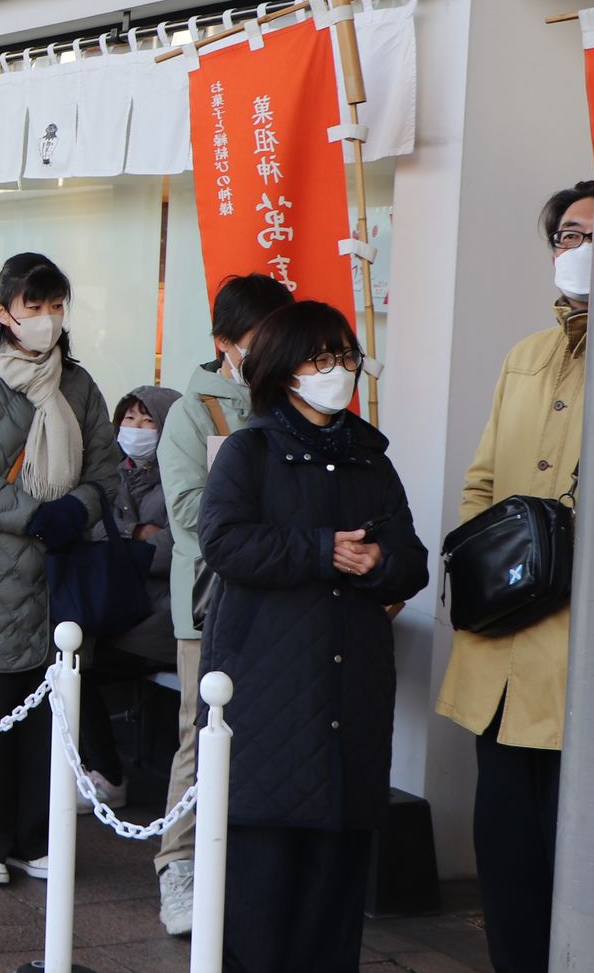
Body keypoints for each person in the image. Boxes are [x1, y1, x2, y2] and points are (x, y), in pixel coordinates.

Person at [199, 300, 427, 969]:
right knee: (261, 895)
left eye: (345, 357)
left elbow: (410, 557)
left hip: (350, 693)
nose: (337, 372)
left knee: (336, 892)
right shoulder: (251, 450)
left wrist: (379, 560)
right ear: (283, 369)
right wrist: (322, 549)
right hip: (268, 695)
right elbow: (225, 541)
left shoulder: (369, 457)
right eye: (320, 359)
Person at [436, 180, 592, 973]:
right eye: (567, 234)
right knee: (505, 859)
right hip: (500, 652)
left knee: (578, 859)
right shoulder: (525, 355)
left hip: (584, 666)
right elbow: (482, 481)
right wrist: (473, 576)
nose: (579, 247)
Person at [0, 252, 118, 885]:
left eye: (55, 306)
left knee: (50, 715)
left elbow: (105, 472)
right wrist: (35, 515)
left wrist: (77, 510)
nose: (45, 319)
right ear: (2, 312)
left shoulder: (79, 384)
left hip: (60, 576)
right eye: (32, 307)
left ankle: (34, 836)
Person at [151, 271, 294, 934]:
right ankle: (175, 867)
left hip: (280, 601)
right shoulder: (192, 411)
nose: (274, 353)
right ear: (225, 343)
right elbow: (188, 512)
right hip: (209, 604)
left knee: (260, 737)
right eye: (260, 341)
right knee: (197, 734)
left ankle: (238, 865)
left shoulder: (291, 405)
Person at [75, 385, 182, 807]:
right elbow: (93, 530)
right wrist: (137, 535)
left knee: (81, 671)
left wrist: (126, 545)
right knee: (65, 662)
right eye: (129, 418)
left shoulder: (182, 475)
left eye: (148, 420)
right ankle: (91, 766)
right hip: (119, 608)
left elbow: (180, 546)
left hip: (162, 617)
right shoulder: (110, 470)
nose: (135, 428)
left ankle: (108, 776)